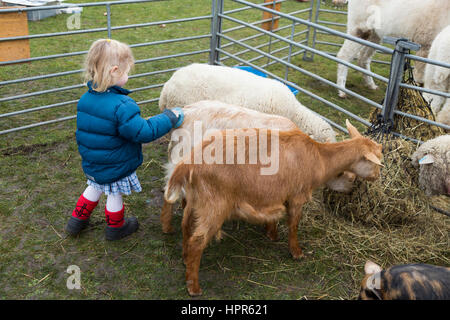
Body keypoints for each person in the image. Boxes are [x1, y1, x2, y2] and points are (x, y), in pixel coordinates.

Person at [66, 39, 184, 240]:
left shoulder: (86, 98)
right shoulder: (122, 105)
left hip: (93, 161)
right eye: (126, 71)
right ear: (114, 71)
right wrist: (169, 117)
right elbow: (143, 132)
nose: (128, 75)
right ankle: (116, 227)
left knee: (93, 187)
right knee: (114, 194)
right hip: (115, 164)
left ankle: (76, 221)